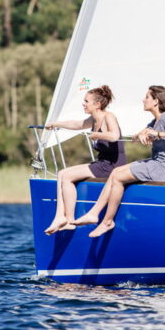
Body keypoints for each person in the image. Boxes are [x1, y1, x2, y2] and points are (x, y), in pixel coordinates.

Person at [79, 85, 165, 238]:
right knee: (115, 172)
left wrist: (157, 133)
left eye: (147, 97)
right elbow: (135, 137)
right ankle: (94, 213)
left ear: (156, 101)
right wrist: (140, 134)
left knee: (118, 177)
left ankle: (107, 221)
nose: (143, 100)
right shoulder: (154, 121)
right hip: (158, 162)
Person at [42, 85, 125, 234]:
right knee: (62, 173)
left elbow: (114, 135)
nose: (83, 104)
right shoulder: (94, 119)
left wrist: (98, 135)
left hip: (111, 167)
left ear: (97, 104)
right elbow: (77, 124)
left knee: (66, 176)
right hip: (102, 163)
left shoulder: (108, 117)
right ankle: (61, 217)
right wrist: (55, 124)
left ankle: (68, 218)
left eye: (86, 101)